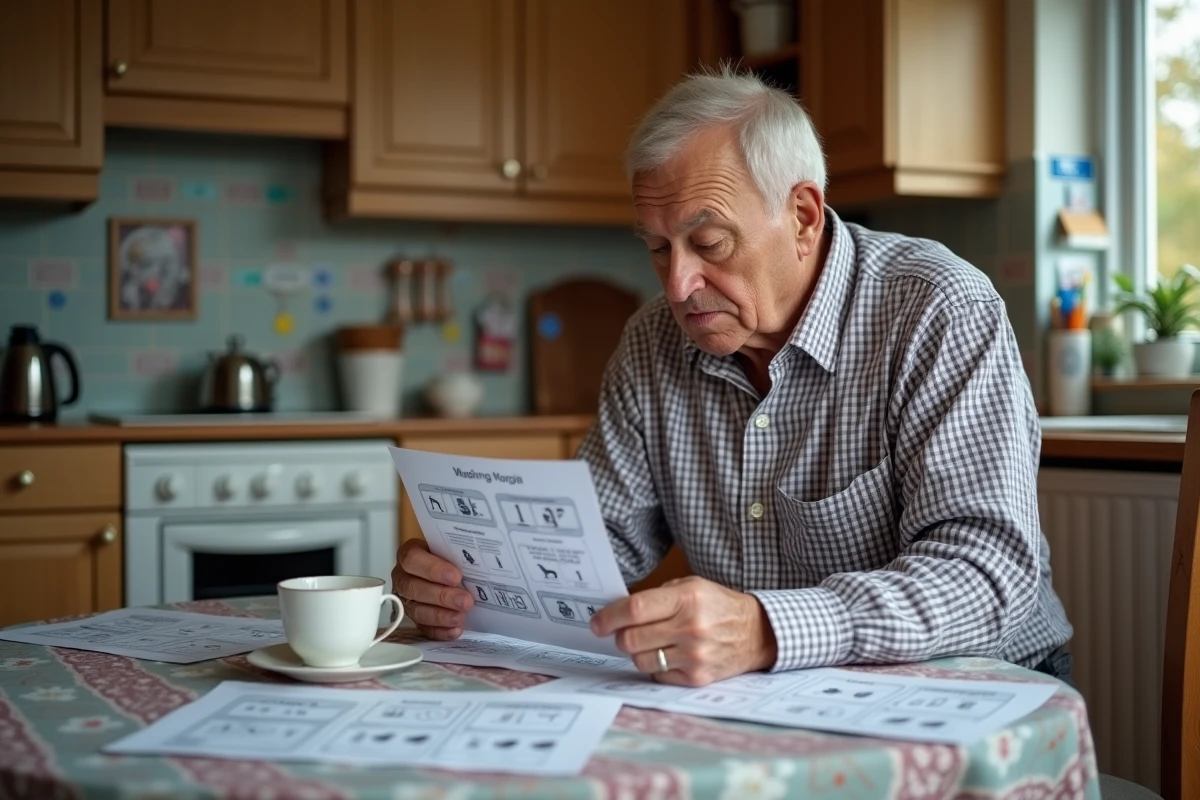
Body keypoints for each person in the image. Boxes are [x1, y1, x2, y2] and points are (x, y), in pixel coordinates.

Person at [392, 66, 1073, 688]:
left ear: (803, 216)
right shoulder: (652, 340)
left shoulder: (936, 306)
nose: (680, 284)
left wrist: (765, 629)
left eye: (709, 242)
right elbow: (599, 543)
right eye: (658, 248)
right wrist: (468, 585)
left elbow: (986, 575)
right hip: (775, 697)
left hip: (977, 682)